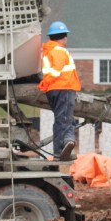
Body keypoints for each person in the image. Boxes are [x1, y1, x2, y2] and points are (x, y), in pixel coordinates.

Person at [38, 21, 81, 161]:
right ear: (64, 37)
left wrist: (46, 84)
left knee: (65, 119)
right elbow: (55, 71)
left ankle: (67, 144)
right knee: (63, 120)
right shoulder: (59, 51)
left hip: (55, 90)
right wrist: (45, 83)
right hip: (64, 88)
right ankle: (60, 149)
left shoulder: (48, 50)